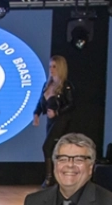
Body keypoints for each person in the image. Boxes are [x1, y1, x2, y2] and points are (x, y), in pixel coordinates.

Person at [33, 55, 74, 185]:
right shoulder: (47, 84)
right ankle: (53, 178)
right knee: (52, 149)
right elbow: (41, 102)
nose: (51, 69)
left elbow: (71, 104)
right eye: (50, 66)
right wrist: (36, 114)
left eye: (54, 66)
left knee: (48, 146)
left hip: (61, 120)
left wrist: (57, 112)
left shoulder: (66, 86)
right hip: (50, 122)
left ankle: (50, 178)